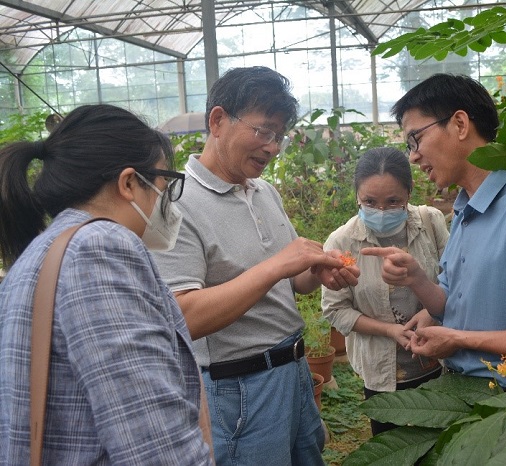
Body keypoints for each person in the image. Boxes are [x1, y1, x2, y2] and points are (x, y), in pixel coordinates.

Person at [151, 66, 360, 466]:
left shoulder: (264, 191)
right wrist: (278, 266)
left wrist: (315, 272)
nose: (273, 147)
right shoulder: (174, 203)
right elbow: (183, 316)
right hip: (241, 389)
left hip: (294, 372)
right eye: (264, 131)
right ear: (218, 120)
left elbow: (292, 280)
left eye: (279, 136)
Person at [0, 104, 213, 464]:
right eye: (164, 186)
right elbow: (155, 445)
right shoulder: (99, 248)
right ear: (129, 183)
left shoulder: (42, 252)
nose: (167, 204)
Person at [363, 74, 506, 387]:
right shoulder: (466, 208)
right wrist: (416, 278)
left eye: (415, 139)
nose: (413, 155)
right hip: (468, 389)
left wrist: (459, 339)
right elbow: (451, 304)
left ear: (460, 124)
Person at [321, 147, 449, 435]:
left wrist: (431, 312)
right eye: (370, 201)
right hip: (382, 373)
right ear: (357, 195)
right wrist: (389, 330)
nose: (380, 212)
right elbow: (335, 310)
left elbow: (456, 279)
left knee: (442, 442)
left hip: (439, 362)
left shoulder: (430, 223)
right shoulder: (342, 242)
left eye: (393, 201)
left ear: (409, 192)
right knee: (392, 446)